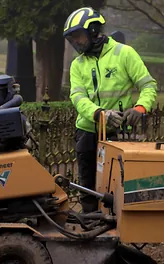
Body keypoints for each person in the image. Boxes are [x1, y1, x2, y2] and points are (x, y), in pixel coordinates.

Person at [63, 7, 158, 213]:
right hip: (87, 131)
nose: (76, 43)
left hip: (119, 132)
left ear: (94, 31)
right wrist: (100, 114)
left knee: (118, 183)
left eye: (78, 37)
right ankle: (90, 223)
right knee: (87, 186)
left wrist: (140, 108)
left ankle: (118, 225)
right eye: (72, 39)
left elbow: (148, 85)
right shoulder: (77, 65)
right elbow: (77, 97)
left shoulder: (124, 54)